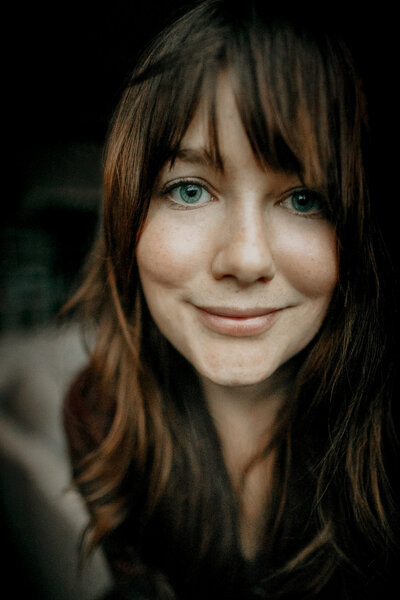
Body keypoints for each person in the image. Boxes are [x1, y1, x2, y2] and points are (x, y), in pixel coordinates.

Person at [63, 1, 399, 598]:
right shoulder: (102, 413)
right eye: (189, 188)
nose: (245, 259)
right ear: (124, 212)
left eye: (304, 198)